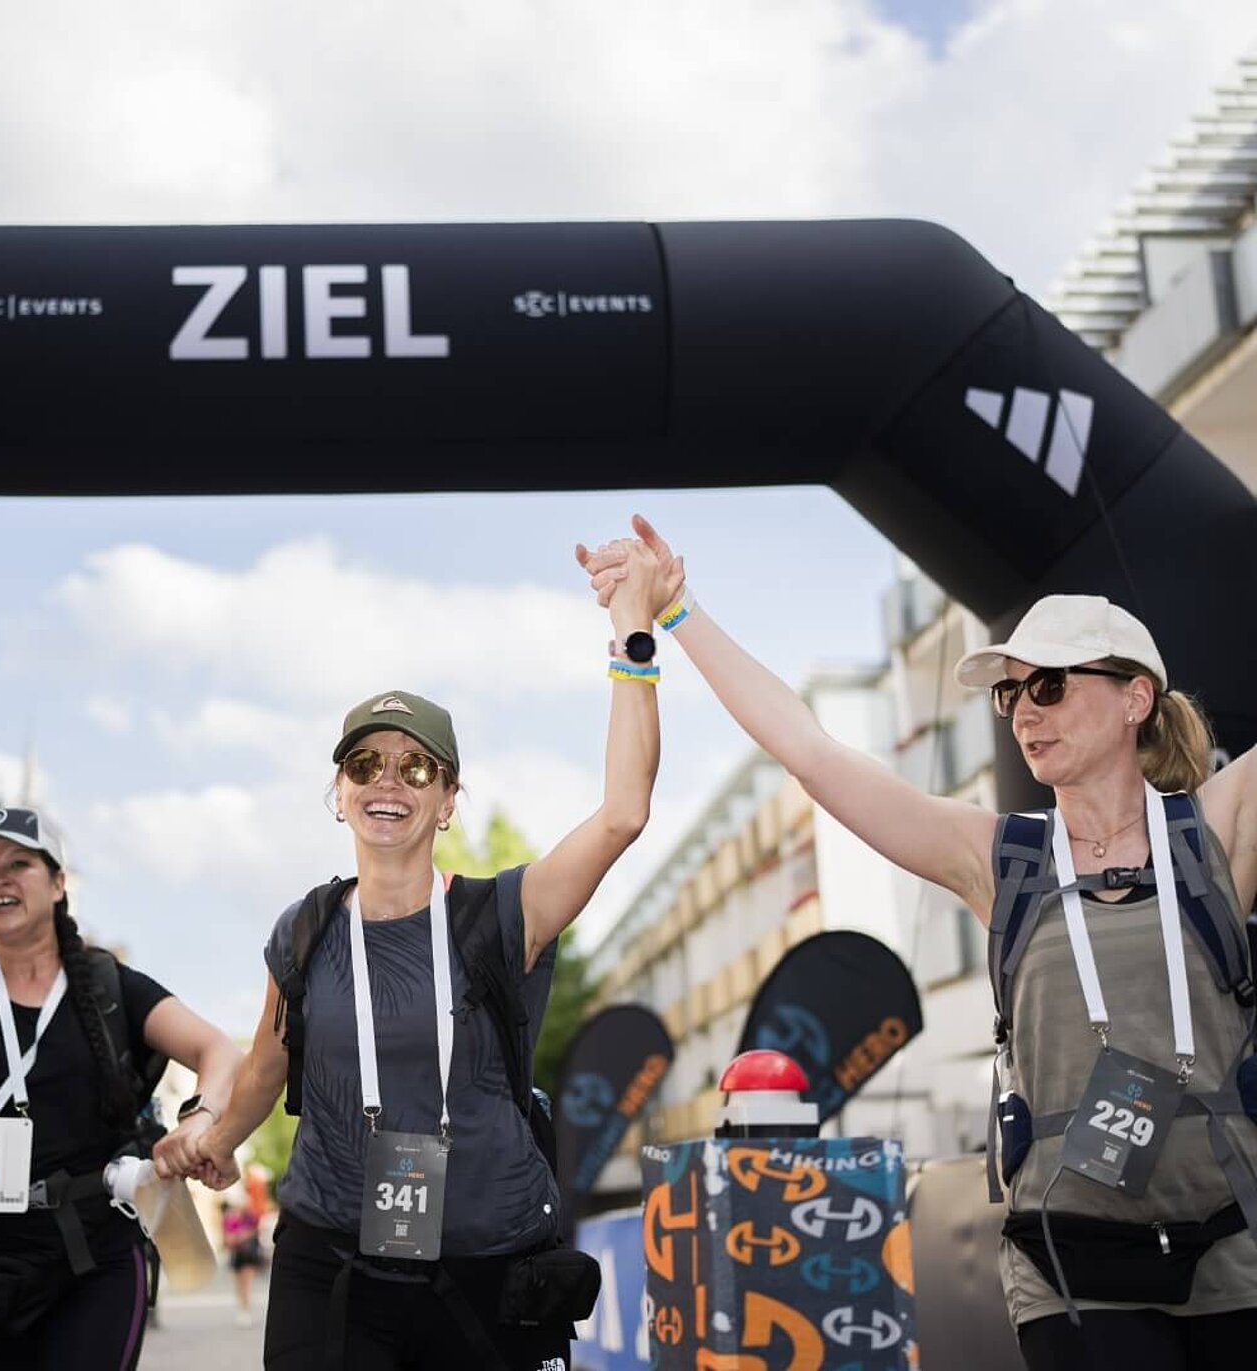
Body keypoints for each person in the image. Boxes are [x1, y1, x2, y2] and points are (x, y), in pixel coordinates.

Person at [588, 515, 1257, 1370]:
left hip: (1234, 1255)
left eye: (1048, 685)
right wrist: (677, 610)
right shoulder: (1001, 856)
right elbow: (808, 749)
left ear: (1135, 698)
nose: (1023, 712)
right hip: (1071, 1269)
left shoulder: (1218, 829)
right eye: (1009, 693)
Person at [190, 535, 664, 1370]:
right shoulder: (305, 930)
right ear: (339, 792)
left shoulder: (501, 915)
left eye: (418, 769)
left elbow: (623, 813)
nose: (389, 782)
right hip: (332, 1261)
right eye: (367, 763)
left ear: (448, 799)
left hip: (487, 1271)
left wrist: (633, 638)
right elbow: (266, 1066)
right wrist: (219, 1139)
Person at [0, 806, 241, 1370]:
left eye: (18, 863)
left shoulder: (113, 988)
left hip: (93, 1262)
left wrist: (200, 1117)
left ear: (59, 883)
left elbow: (220, 1052)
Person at [222, 1200, 266, 1325]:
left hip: (248, 1254)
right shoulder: (229, 1218)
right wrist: (233, 1238)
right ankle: (242, 1308)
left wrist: (243, 1235)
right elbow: (227, 1237)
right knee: (239, 1285)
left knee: (247, 1284)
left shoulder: (250, 1216)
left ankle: (246, 1310)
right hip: (236, 1254)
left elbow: (257, 1230)